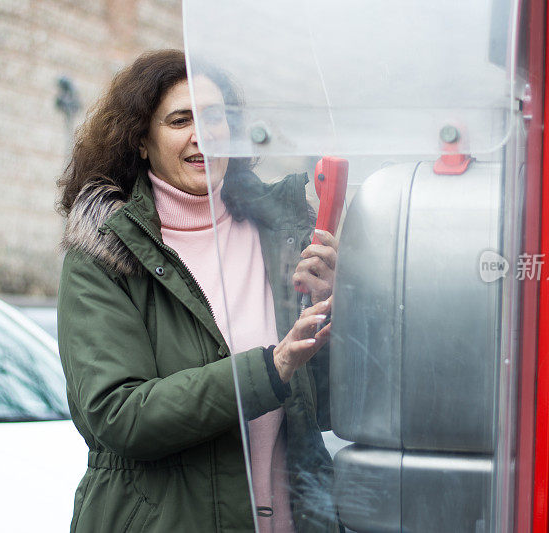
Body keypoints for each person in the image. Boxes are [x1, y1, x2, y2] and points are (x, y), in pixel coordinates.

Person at [57, 49, 339, 532]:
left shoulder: (286, 237)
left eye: (215, 119)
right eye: (180, 120)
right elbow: (119, 416)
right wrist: (271, 368)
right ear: (141, 140)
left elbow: (329, 408)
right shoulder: (104, 252)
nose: (202, 136)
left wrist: (335, 311)